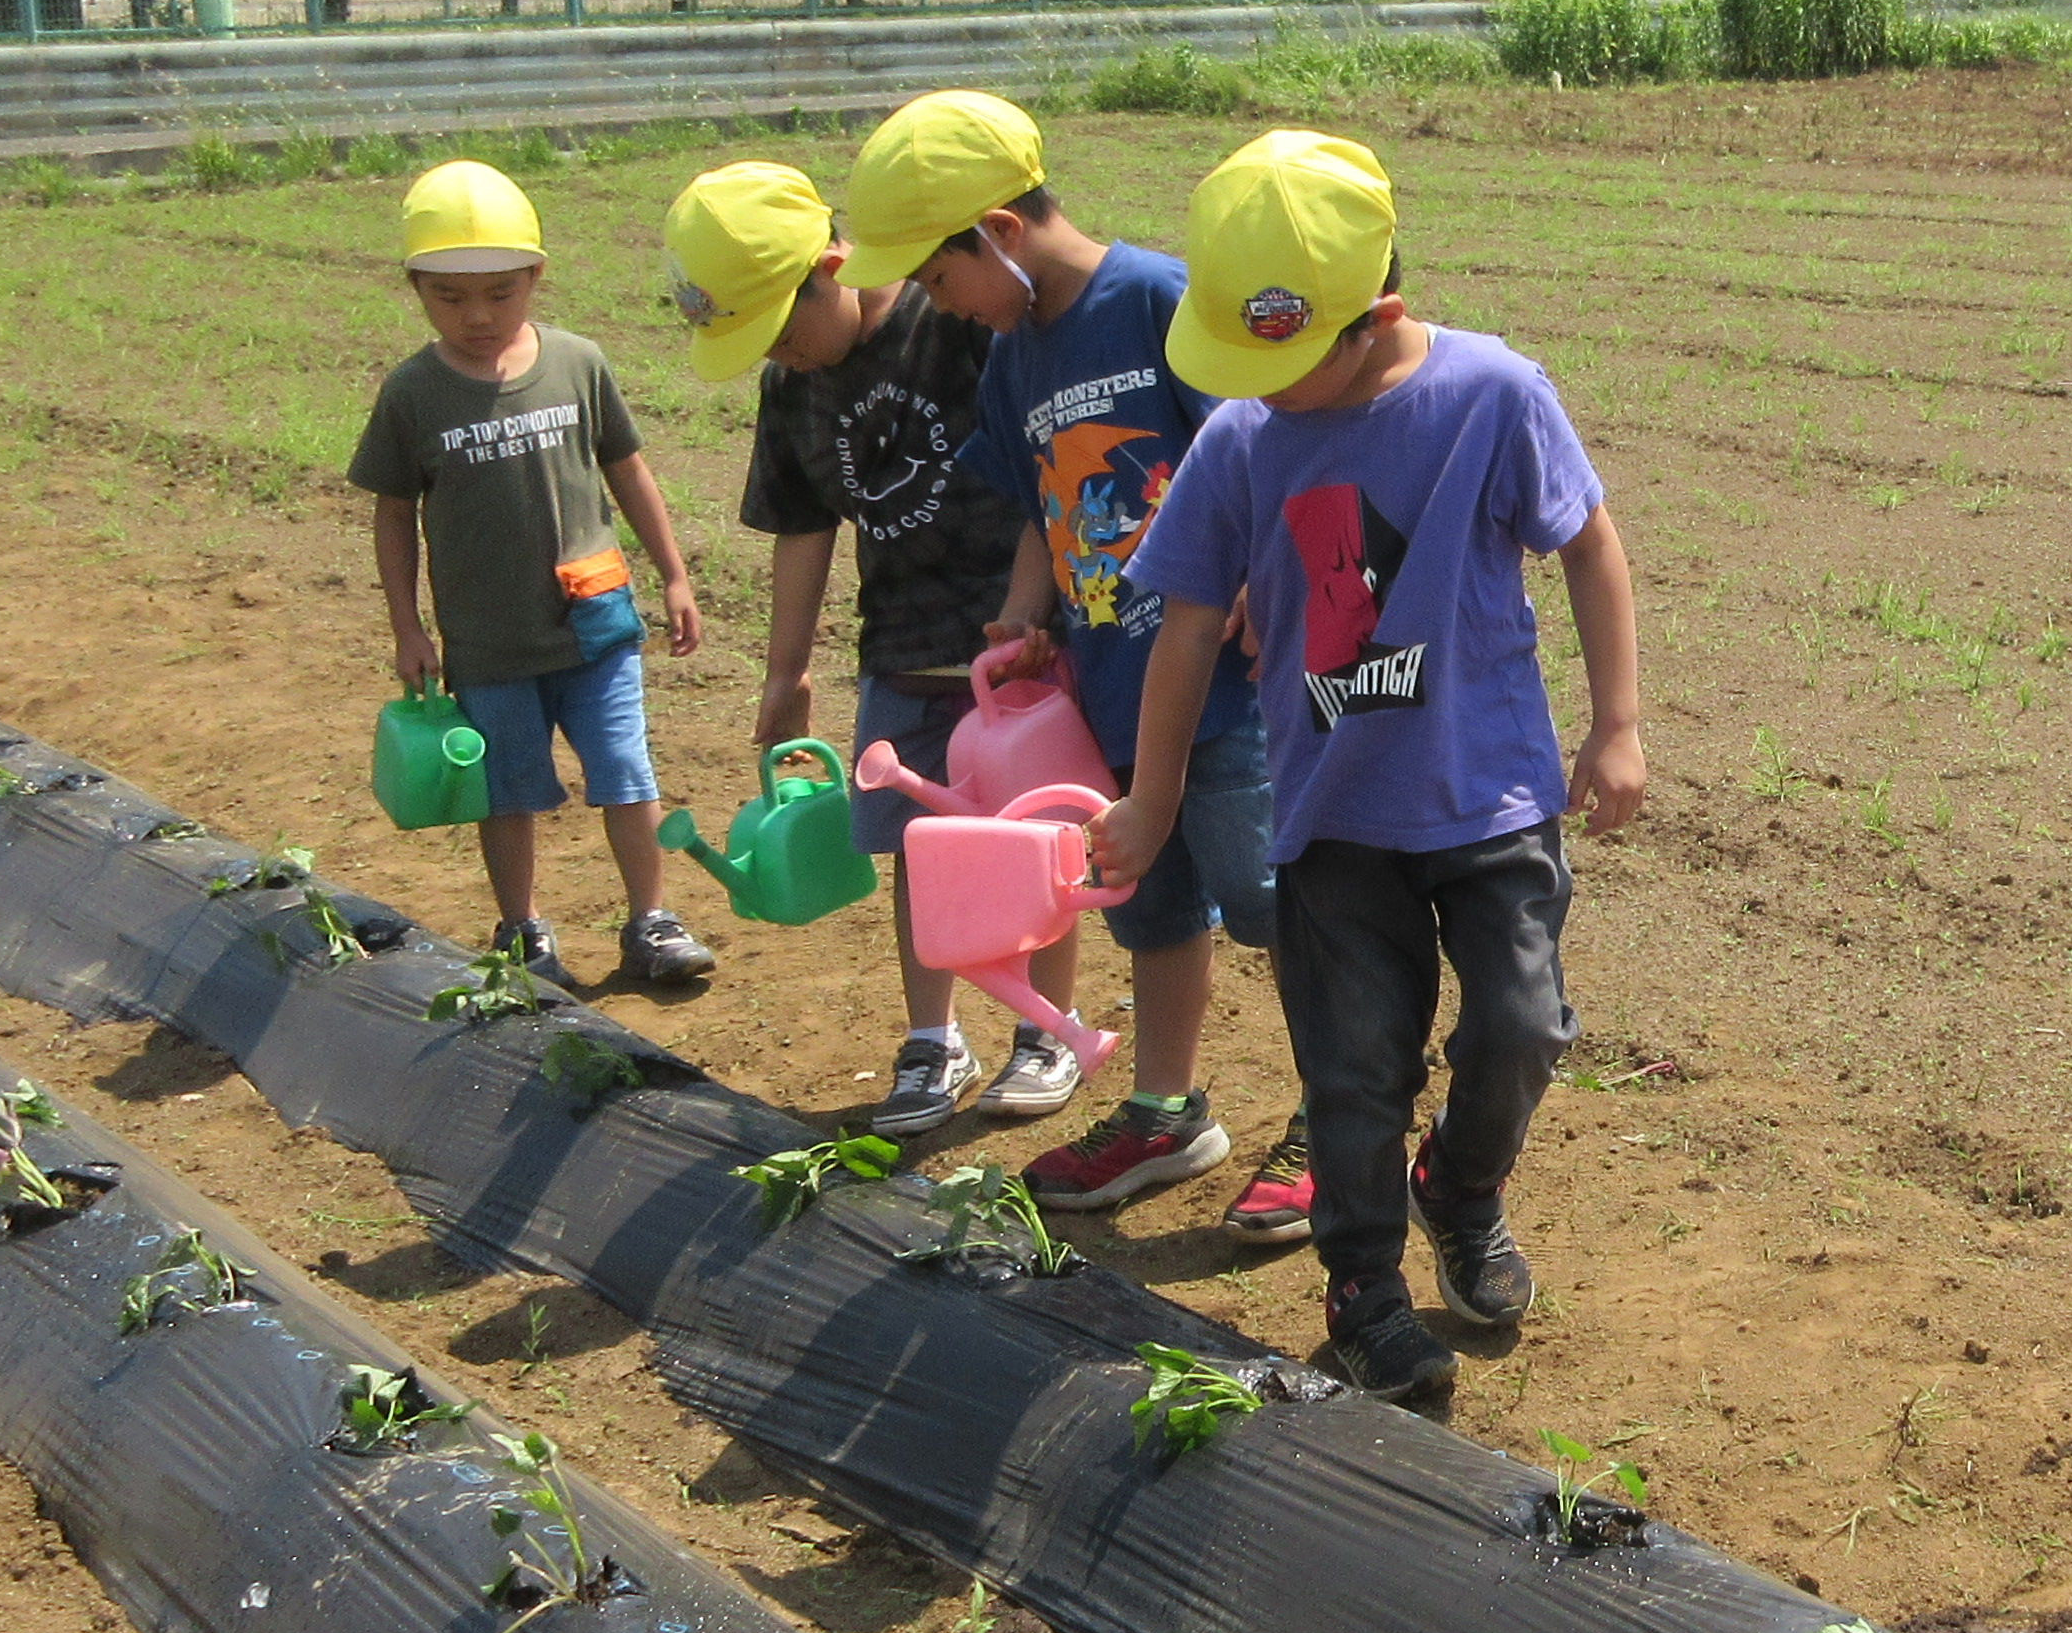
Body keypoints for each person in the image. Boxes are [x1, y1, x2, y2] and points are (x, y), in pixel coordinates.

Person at [1092, 133, 1644, 1405]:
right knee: (1353, 1069)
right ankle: (1364, 1292)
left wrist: (1615, 722)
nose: (1262, 389)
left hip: (1490, 796)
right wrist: (1155, 795)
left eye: (1282, 361)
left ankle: (1458, 1186)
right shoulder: (1241, 440)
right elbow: (1184, 625)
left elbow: (1590, 542)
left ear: (1375, 314)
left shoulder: (1492, 395)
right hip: (1331, 818)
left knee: (1519, 1029)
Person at [904, 103, 1298, 1232]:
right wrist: (1027, 618)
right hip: (1113, 693)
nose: (943, 308)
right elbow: (1043, 510)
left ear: (996, 233)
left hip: (1220, 685)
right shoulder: (1011, 361)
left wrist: (1266, 581)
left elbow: (1258, 450)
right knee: (1154, 909)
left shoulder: (1158, 301)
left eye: (939, 281)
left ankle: (1344, 1111)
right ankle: (1167, 1112)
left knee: (1276, 902)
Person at [677, 121, 1063, 1138]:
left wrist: (1043, 608)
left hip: (1018, 641)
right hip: (900, 639)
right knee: (915, 845)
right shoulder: (789, 382)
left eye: (781, 327)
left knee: (1035, 838)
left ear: (832, 268)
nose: (780, 354)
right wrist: (784, 670)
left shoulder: (954, 320)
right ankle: (933, 1037)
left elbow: (1045, 468)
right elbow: (803, 526)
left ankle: (1048, 1027)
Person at [348, 158, 716, 990]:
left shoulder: (579, 363)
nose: (477, 314)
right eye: (450, 296)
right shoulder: (412, 393)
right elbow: (391, 513)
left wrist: (673, 574)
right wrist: (408, 627)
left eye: (501, 292)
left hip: (596, 621)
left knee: (626, 771)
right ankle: (523, 932)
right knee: (506, 793)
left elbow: (627, 468)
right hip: (486, 640)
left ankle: (649, 921)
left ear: (537, 277)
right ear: (414, 287)